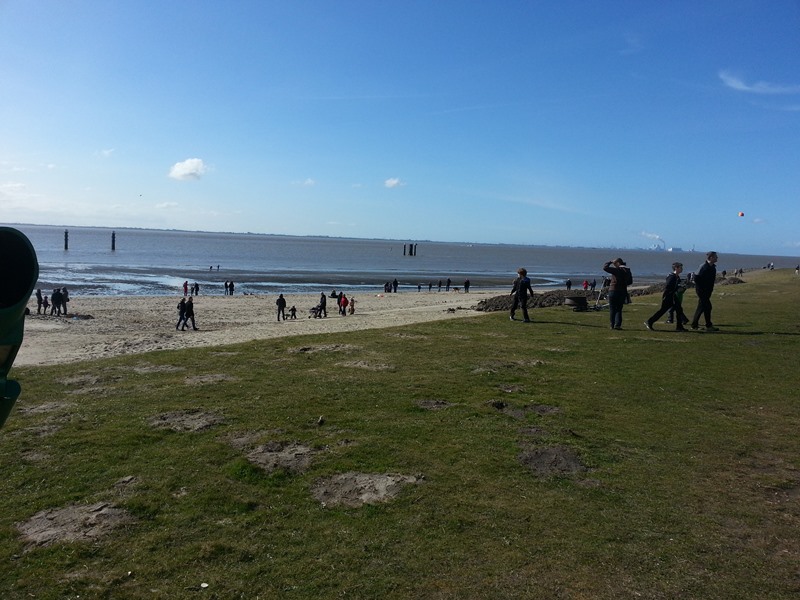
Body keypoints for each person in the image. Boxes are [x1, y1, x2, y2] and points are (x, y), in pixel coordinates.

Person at [644, 262, 688, 332]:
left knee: (679, 309)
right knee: (662, 311)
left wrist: (680, 287)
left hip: (673, 296)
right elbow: (668, 286)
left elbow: (676, 286)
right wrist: (674, 290)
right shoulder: (672, 277)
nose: (682, 269)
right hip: (668, 297)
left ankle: (679, 326)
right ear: (676, 268)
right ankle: (649, 321)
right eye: (680, 267)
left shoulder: (676, 276)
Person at [690, 251, 719, 331]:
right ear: (711, 257)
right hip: (702, 291)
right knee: (707, 307)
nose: (717, 258)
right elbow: (696, 277)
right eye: (716, 257)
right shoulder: (703, 266)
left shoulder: (713, 267)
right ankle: (703, 325)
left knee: (704, 307)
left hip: (708, 291)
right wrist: (701, 287)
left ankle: (703, 325)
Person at [602, 258, 632, 330]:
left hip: (613, 290)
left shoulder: (617, 270)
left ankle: (612, 324)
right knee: (619, 308)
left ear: (618, 263)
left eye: (615, 264)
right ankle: (618, 324)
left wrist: (610, 261)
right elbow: (630, 282)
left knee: (612, 308)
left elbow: (605, 267)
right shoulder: (628, 270)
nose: (614, 265)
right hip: (622, 291)